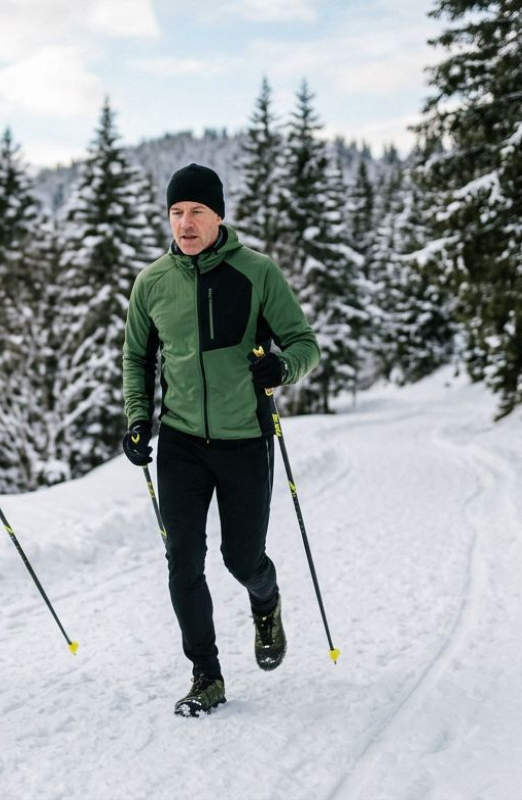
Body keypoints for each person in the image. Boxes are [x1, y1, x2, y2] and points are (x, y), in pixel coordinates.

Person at [121, 163, 320, 717]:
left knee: (241, 558)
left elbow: (305, 342)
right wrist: (139, 419)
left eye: (196, 212)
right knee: (183, 562)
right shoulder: (152, 282)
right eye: (176, 212)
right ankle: (206, 674)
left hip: (243, 440)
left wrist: (282, 368)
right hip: (182, 442)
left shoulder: (257, 273)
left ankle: (266, 597)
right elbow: (137, 357)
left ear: (219, 216)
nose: (185, 223)